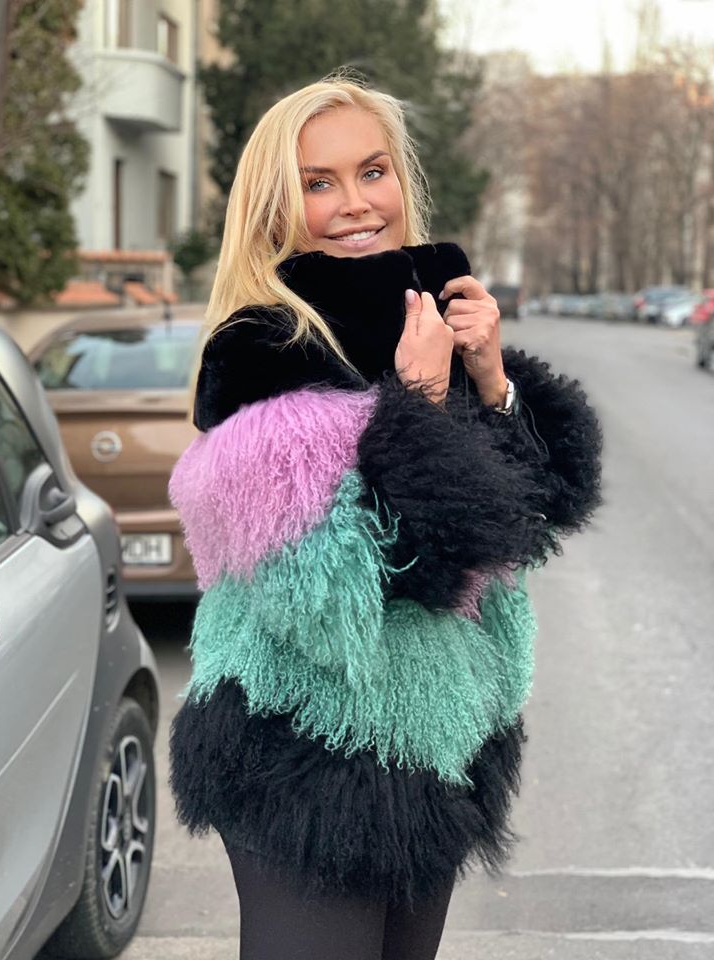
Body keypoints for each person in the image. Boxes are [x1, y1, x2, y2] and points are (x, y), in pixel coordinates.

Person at [168, 74, 602, 960]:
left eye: (373, 171)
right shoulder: (260, 354)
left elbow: (534, 517)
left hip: (434, 749)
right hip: (299, 753)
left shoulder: (431, 322)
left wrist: (492, 380)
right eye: (318, 183)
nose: (357, 203)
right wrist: (421, 402)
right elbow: (347, 594)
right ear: (274, 209)